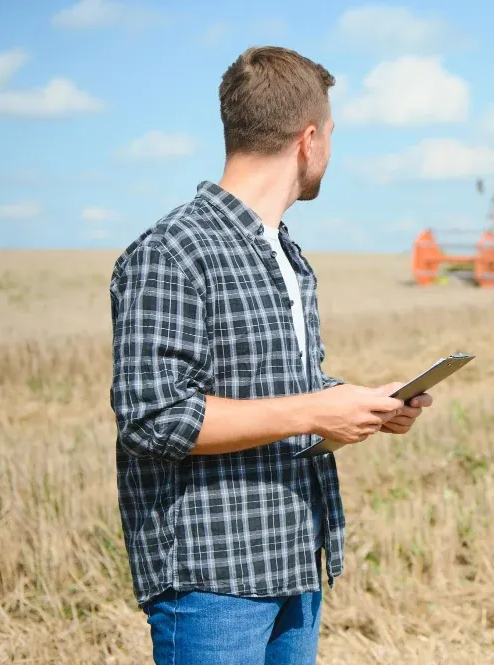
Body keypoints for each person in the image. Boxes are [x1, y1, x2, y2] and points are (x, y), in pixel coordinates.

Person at [108, 45, 433, 665]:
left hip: (295, 555)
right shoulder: (172, 251)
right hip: (212, 577)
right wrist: (314, 412)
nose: (330, 150)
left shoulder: (283, 251)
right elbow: (154, 417)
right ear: (309, 140)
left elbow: (277, 386)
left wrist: (362, 403)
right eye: (331, 134)